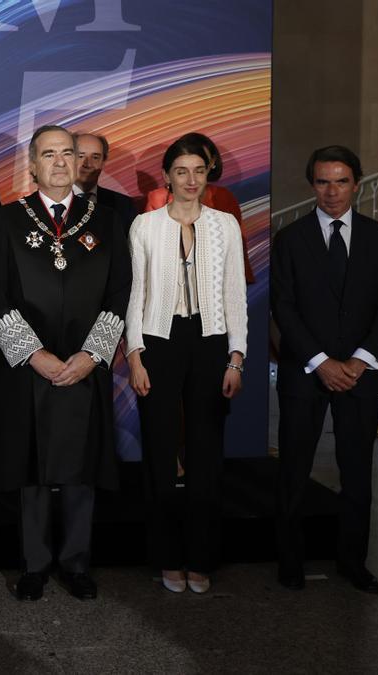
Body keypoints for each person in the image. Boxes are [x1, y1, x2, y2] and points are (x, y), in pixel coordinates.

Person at [0, 125, 131, 601]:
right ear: (32, 164)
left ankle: (76, 562)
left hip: (86, 365)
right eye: (49, 154)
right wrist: (34, 354)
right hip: (29, 367)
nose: (61, 162)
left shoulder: (106, 219)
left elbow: (120, 291)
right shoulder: (6, 220)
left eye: (68, 153)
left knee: (80, 468)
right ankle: (34, 564)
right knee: (32, 470)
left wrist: (93, 354)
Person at [271, 146, 378, 595]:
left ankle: (353, 563)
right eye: (323, 182)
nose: (332, 191)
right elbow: (283, 308)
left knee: (357, 474)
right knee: (292, 471)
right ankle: (290, 561)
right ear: (312, 186)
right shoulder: (289, 239)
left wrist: (359, 361)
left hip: (360, 376)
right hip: (305, 373)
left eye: (341, 181)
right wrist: (321, 362)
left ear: (357, 184)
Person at [125, 137, 247, 594]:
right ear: (168, 176)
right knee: (159, 456)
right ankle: (165, 559)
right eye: (182, 171)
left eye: (199, 170)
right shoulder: (144, 226)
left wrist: (237, 358)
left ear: (208, 173)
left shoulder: (226, 226)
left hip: (211, 343)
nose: (191, 180)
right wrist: (134, 355)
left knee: (205, 455)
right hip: (158, 342)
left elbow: (235, 295)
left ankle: (201, 558)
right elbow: (134, 296)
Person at [143, 132, 254, 283]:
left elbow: (235, 248)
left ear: (211, 163)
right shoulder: (158, 199)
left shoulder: (223, 198)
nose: (192, 177)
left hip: (215, 282)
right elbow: (149, 252)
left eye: (199, 166)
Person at [73, 132, 136, 232]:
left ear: (103, 161)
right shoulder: (52, 202)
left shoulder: (124, 205)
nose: (88, 164)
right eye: (80, 156)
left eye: (95, 157)